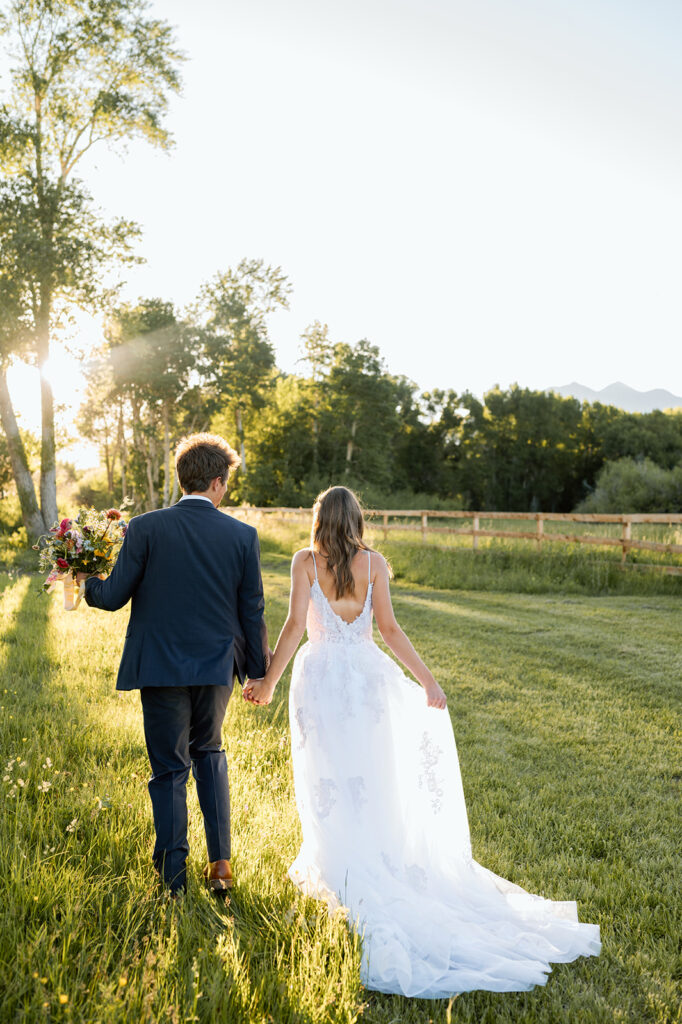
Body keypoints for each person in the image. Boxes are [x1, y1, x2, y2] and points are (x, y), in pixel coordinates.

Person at [243, 486, 600, 997]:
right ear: (357, 519)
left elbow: (297, 625)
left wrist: (270, 682)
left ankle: (341, 865)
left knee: (327, 775)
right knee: (372, 774)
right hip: (366, 681)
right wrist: (427, 681)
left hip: (319, 679)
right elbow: (389, 629)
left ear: (319, 519)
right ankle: (366, 856)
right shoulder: (374, 564)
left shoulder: (304, 560)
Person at [80, 433, 269, 896]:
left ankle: (173, 878)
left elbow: (111, 597)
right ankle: (220, 866)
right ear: (219, 483)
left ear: (182, 478)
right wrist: (259, 672)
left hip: (160, 666)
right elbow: (253, 610)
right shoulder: (242, 535)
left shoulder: (145, 527)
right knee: (210, 754)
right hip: (216, 667)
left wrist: (85, 579)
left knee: (169, 769)